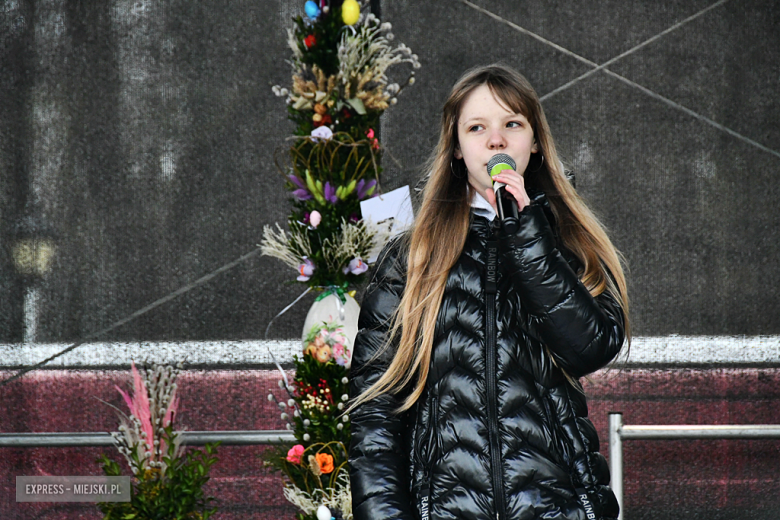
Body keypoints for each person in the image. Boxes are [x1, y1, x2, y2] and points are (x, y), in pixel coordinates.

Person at [347, 64, 630, 520]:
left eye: (512, 124)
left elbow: (590, 349)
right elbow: (375, 412)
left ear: (534, 142)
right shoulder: (412, 258)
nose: (495, 141)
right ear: (457, 148)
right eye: (477, 127)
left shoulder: (571, 244)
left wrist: (529, 237)